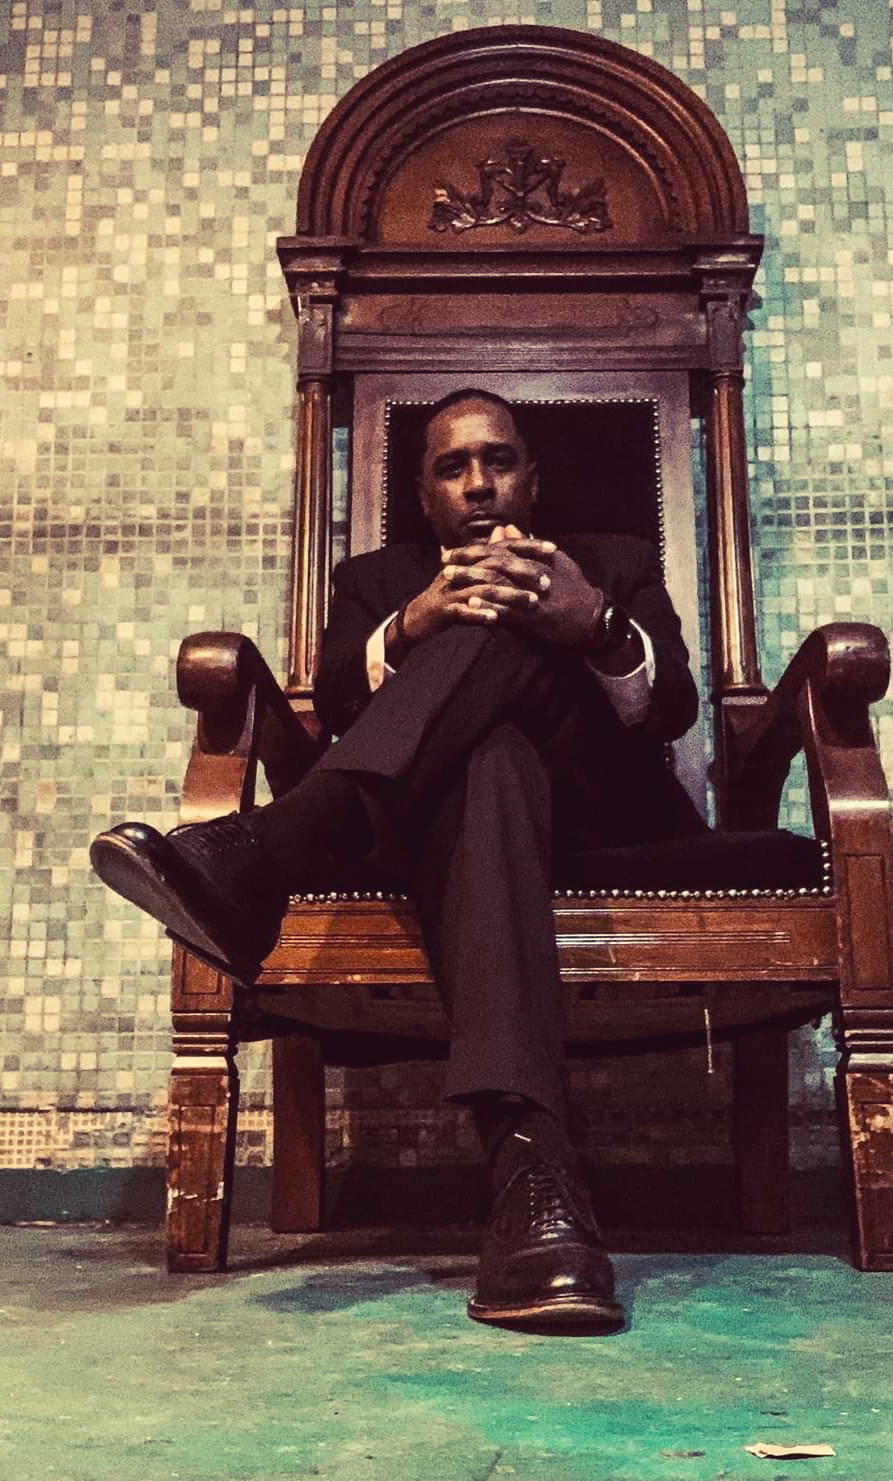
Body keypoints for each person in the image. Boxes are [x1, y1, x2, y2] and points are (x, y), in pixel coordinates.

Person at [91, 388, 706, 1333]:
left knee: (507, 610)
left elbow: (671, 712)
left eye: (498, 461)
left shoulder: (613, 561)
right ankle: (535, 1178)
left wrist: (595, 624)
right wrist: (415, 624)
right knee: (489, 758)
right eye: (453, 468)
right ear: (424, 496)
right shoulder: (376, 581)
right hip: (454, 823)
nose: (479, 485)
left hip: (604, 814)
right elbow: (338, 704)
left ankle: (271, 852)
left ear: (532, 477)